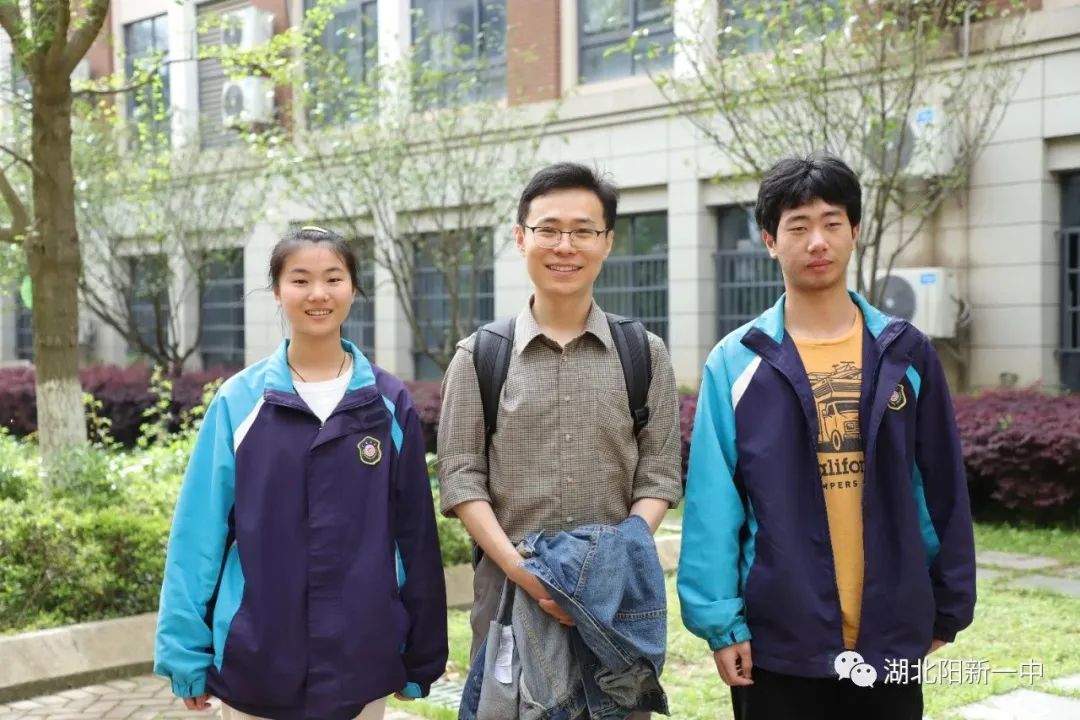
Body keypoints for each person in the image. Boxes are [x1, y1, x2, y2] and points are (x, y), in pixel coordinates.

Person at [678, 153, 976, 720]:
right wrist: (721, 623)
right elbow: (715, 504)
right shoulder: (736, 362)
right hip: (778, 637)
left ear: (854, 230)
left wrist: (948, 600)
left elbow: (942, 487)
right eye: (798, 226)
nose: (817, 241)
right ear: (770, 240)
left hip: (890, 632)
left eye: (832, 223)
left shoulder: (906, 353)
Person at [154, 226, 448, 720]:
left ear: (353, 289)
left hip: (361, 656)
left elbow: (414, 536)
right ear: (276, 291)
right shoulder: (240, 402)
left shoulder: (387, 402)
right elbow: (198, 533)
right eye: (300, 280)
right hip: (258, 655)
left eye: (333, 278)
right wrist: (185, 654)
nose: (318, 294)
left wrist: (422, 653)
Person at [437, 162, 684, 718]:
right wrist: (526, 572)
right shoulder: (480, 357)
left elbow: (659, 474)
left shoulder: (644, 354)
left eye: (583, 230)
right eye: (548, 229)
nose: (565, 246)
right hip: (509, 597)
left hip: (616, 603)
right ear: (520, 237)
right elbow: (460, 478)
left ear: (607, 241)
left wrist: (605, 567)